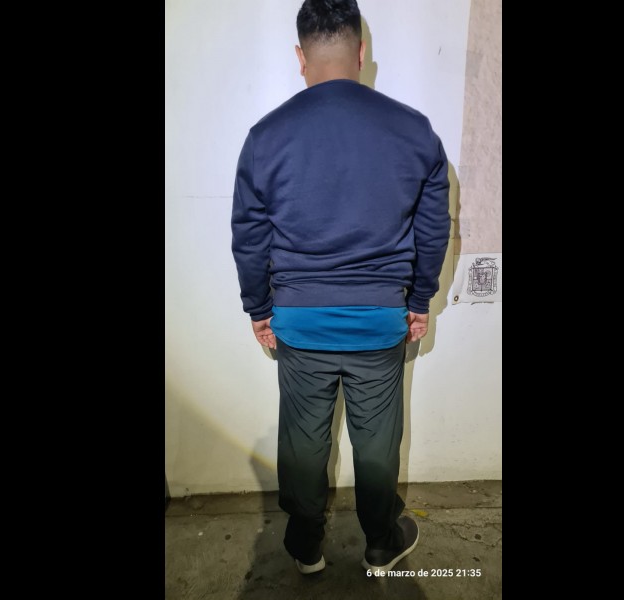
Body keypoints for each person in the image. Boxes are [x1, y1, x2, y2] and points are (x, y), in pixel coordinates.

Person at [231, 0, 450, 576]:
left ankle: (306, 546)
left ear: (300, 56)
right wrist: (418, 301)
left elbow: (249, 236)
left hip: (300, 321)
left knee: (303, 443)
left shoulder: (266, 136)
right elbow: (433, 228)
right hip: (380, 319)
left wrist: (259, 308)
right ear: (361, 51)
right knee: (377, 443)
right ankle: (380, 543)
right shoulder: (413, 130)